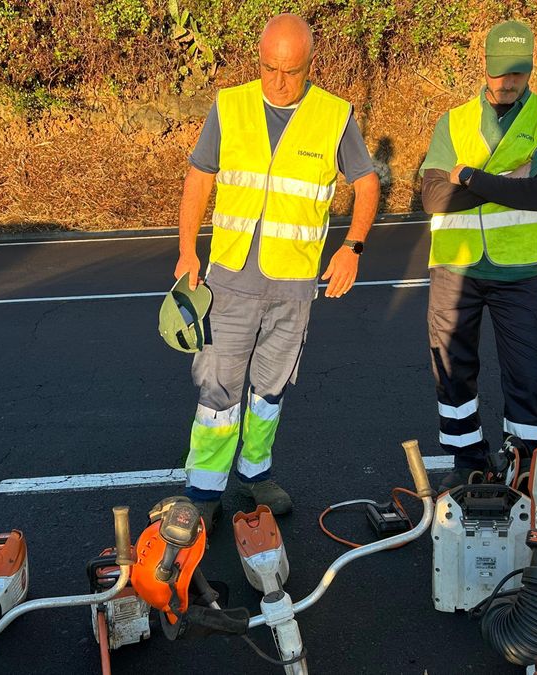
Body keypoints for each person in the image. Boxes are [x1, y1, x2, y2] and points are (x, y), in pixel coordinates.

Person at [174, 13, 381, 530]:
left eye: (291, 71)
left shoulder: (334, 115)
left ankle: (255, 473)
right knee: (218, 388)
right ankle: (204, 488)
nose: (279, 81)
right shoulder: (231, 105)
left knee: (270, 388)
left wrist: (352, 246)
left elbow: (367, 181)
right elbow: (199, 177)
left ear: (310, 64)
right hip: (229, 277)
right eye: (270, 68)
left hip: (292, 286)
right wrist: (186, 251)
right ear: (259, 60)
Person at [418, 20, 537, 487]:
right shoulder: (454, 119)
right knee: (452, 374)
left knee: (526, 374)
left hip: (518, 271)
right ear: (484, 67)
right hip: (455, 267)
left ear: (530, 69)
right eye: (500, 73)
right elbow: (432, 199)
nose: (507, 84)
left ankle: (525, 468)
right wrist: (508, 185)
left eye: (518, 75)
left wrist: (468, 177)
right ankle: (468, 462)